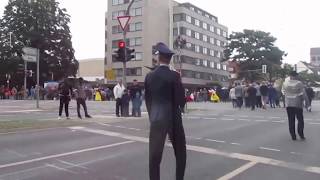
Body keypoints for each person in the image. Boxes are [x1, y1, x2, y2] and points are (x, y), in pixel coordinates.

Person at [145, 42, 186, 180]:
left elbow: (148, 100)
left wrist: (152, 117)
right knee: (180, 152)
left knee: (154, 156)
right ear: (169, 59)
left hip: (157, 118)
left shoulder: (149, 76)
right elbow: (180, 100)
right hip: (173, 118)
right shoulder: (174, 76)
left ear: (158, 57)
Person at [283, 71, 309, 141]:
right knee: (300, 120)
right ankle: (301, 134)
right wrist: (307, 103)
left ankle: (293, 136)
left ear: (290, 76)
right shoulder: (299, 83)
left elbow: (283, 93)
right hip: (297, 104)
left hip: (288, 104)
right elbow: (304, 94)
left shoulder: (285, 83)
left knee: (291, 120)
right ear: (296, 76)